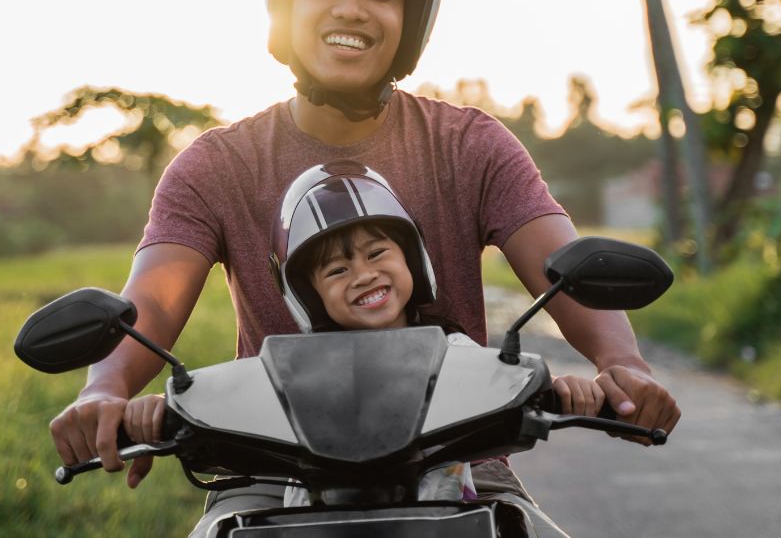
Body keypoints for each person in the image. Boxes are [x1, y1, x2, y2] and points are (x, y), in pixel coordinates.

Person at [49, 0, 679, 532]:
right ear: (284, 4)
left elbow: (565, 263)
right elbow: (152, 300)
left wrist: (623, 365)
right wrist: (107, 388)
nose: (351, 7)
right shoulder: (217, 164)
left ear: (409, 20)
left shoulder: (469, 145)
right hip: (269, 472)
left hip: (459, 464)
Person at [122, 163, 606, 516]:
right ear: (307, 293)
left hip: (452, 522)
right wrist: (156, 411)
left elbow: (510, 384)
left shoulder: (455, 355)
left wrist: (566, 389)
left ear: (413, 258)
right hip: (302, 525)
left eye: (378, 253)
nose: (364, 274)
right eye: (337, 269)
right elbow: (227, 400)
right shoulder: (281, 374)